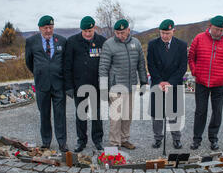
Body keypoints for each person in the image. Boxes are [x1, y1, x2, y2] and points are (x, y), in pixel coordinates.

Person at [188, 15, 223, 151]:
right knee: (200, 111)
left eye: (222, 30)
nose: (219, 33)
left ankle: (213, 138)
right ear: (210, 27)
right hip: (201, 82)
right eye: (217, 29)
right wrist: (194, 71)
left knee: (217, 112)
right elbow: (191, 57)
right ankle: (196, 139)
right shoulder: (199, 38)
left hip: (219, 84)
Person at [98, 19, 148, 150]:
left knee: (128, 115)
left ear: (128, 30)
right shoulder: (108, 44)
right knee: (116, 117)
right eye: (117, 33)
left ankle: (124, 139)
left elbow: (141, 64)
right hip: (115, 86)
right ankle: (114, 143)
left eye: (122, 32)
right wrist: (103, 88)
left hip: (130, 85)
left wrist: (144, 82)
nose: (120, 35)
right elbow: (103, 67)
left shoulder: (136, 43)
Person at [25, 15, 69, 152]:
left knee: (60, 115)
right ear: (40, 28)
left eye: (51, 27)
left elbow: (65, 62)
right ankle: (46, 142)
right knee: (44, 114)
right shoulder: (31, 41)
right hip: (42, 85)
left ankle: (62, 143)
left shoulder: (62, 41)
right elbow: (29, 62)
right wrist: (41, 72)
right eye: (46, 28)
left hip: (58, 85)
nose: (48, 30)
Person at [65, 16, 106, 152]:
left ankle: (98, 140)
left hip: (96, 85)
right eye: (85, 31)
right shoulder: (72, 42)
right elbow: (67, 66)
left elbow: (106, 65)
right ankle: (81, 140)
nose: (87, 34)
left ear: (94, 28)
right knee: (81, 114)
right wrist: (69, 86)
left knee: (97, 114)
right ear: (81, 30)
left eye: (90, 30)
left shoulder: (102, 41)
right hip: (79, 85)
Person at [147, 19, 187, 149]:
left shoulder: (181, 45)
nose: (164, 36)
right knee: (157, 114)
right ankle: (157, 138)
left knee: (174, 112)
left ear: (173, 31)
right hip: (158, 83)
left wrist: (170, 82)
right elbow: (151, 65)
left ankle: (176, 138)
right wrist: (160, 82)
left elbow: (182, 67)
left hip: (174, 83)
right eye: (162, 33)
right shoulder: (152, 44)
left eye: (167, 33)